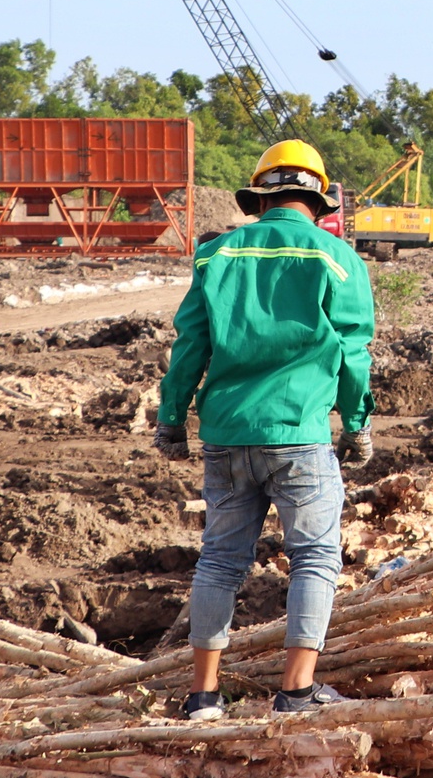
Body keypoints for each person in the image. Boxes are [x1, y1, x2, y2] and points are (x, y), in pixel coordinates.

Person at [157, 139, 377, 720]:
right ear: (317, 198)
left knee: (220, 560)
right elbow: (354, 353)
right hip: (300, 434)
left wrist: (172, 419)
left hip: (226, 432)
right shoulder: (337, 258)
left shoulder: (215, 256)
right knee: (314, 558)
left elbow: (190, 345)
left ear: (260, 197)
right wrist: (356, 425)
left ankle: (203, 696)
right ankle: (295, 693)